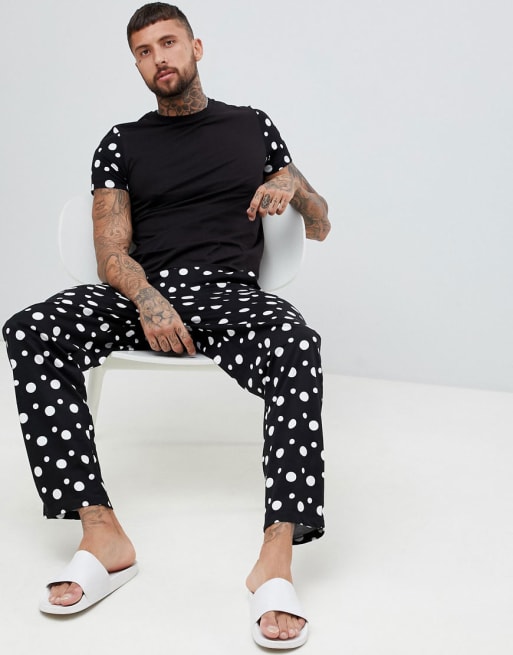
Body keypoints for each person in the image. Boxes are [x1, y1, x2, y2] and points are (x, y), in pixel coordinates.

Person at [2, 2, 330, 649]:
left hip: (230, 296)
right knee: (30, 328)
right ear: (137, 64)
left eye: (169, 43)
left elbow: (319, 224)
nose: (160, 59)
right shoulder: (121, 143)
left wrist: (294, 186)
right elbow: (110, 252)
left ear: (196, 47)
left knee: (297, 342)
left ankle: (276, 556)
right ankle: (101, 532)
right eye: (144, 51)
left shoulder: (252, 127)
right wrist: (148, 298)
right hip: (142, 295)